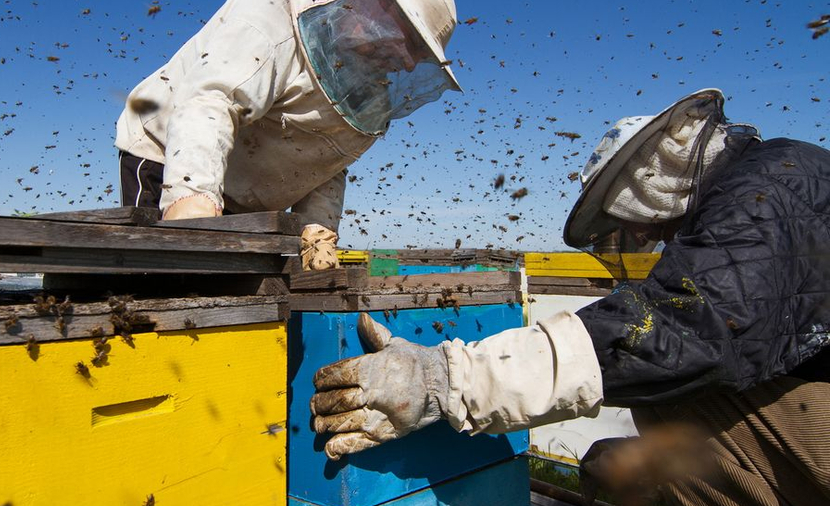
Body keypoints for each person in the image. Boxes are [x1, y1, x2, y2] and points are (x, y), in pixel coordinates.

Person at [310, 89, 830, 506]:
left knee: (674, 396)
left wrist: (449, 379)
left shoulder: (768, 192)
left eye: (640, 224)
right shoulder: (782, 178)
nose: (653, 238)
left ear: (653, 181)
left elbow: (684, 327)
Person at [114, 0, 461, 270]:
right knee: (160, 284)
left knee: (239, 301)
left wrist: (318, 233)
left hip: (251, 196)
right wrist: (191, 206)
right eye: (412, 43)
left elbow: (328, 160)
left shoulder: (367, 90)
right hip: (168, 153)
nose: (409, 63)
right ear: (378, 7)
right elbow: (211, 102)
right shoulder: (267, 12)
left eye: (420, 54)